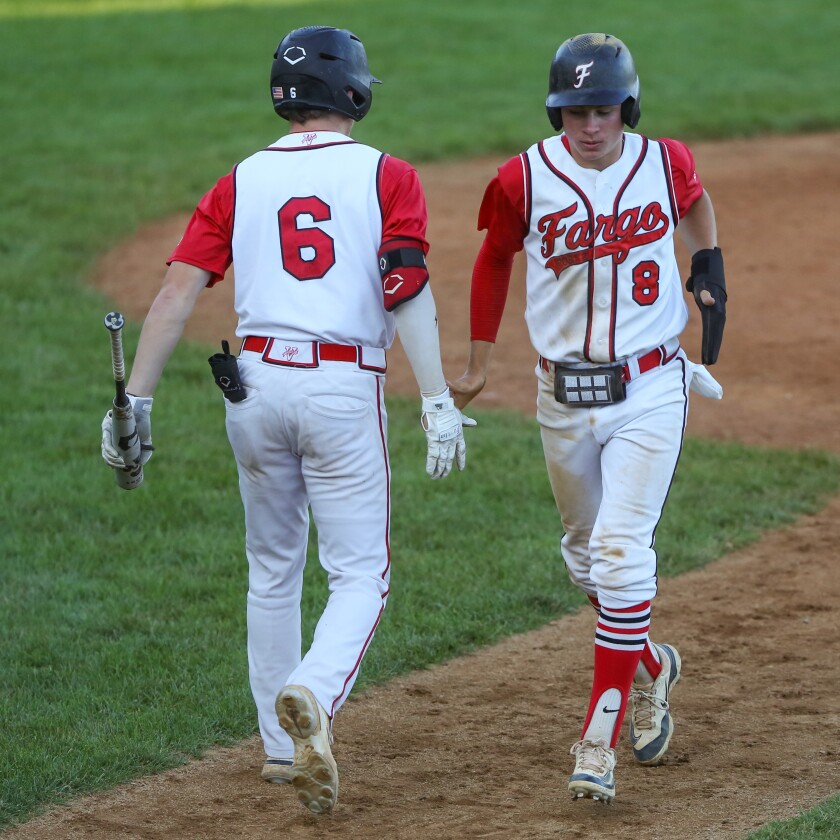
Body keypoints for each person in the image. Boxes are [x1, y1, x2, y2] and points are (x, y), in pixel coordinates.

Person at [100, 25, 472, 815]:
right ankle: (312, 692)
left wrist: (134, 400)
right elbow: (404, 288)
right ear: (353, 91)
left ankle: (278, 745)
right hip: (341, 391)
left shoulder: (239, 180)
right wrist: (436, 399)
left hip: (253, 391)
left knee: (272, 569)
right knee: (361, 574)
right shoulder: (387, 175)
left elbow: (174, 296)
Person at [449, 33, 727, 803]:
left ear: (626, 107)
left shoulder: (664, 162)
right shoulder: (521, 179)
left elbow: (695, 200)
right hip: (562, 395)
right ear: (556, 111)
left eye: (602, 110)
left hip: (650, 388)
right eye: (574, 111)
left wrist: (707, 265)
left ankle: (597, 737)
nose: (589, 125)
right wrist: (477, 362)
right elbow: (493, 258)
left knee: (620, 548)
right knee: (584, 559)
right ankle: (650, 665)